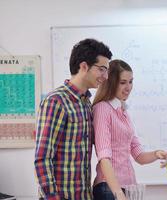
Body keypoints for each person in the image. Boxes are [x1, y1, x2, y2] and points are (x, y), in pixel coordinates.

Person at [34, 38, 112, 200]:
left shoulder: (86, 103)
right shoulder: (56, 101)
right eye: (102, 69)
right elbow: (43, 157)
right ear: (84, 66)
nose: (105, 76)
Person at [92, 59, 167, 200]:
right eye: (123, 82)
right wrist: (119, 194)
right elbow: (104, 157)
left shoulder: (123, 112)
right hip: (109, 188)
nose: (128, 87)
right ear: (110, 83)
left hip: (127, 187)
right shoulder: (102, 108)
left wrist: (157, 154)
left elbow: (138, 155)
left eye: (131, 81)